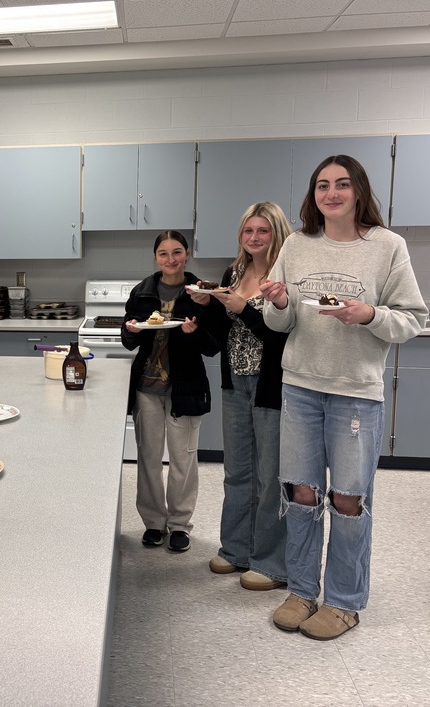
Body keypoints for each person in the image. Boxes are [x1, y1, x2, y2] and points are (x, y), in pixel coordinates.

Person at [261, 155, 427, 641]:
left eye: (341, 184)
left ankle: (344, 601)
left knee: (348, 500)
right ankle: (302, 589)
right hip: (301, 387)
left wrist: (370, 314)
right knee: (301, 492)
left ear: (358, 191)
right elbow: (281, 324)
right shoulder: (295, 243)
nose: (331, 193)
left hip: (355, 392)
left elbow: (411, 319)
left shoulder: (387, 247)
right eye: (321, 186)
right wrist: (280, 302)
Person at [193, 202, 292, 591]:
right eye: (248, 231)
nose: (254, 238)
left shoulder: (285, 276)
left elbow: (283, 336)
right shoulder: (233, 274)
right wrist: (200, 315)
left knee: (270, 476)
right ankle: (235, 550)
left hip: (272, 386)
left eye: (262, 231)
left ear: (276, 233)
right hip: (235, 382)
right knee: (237, 472)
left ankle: (270, 563)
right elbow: (219, 337)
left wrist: (245, 310)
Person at [121, 230, 219, 553]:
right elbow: (129, 339)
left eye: (177, 252)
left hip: (185, 387)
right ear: (155, 258)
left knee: (183, 459)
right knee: (148, 457)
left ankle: (179, 525)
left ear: (187, 254)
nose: (171, 259)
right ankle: (153, 522)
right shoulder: (142, 292)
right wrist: (132, 330)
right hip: (147, 388)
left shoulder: (201, 292)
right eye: (163, 254)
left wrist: (192, 332)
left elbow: (211, 345)